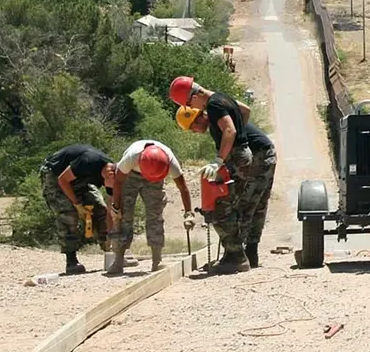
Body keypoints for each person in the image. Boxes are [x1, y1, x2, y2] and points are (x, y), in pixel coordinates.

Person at [169, 76, 253, 273]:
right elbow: (244, 112)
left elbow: (229, 130)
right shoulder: (222, 98)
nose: (192, 107)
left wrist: (219, 160)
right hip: (240, 154)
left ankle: (237, 258)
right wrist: (241, 138)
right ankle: (232, 254)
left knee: (222, 209)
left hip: (236, 158)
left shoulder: (214, 105)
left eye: (189, 103)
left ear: (195, 95)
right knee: (231, 206)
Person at [177, 107, 276, 268]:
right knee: (256, 205)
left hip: (259, 156)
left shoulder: (219, 125)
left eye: (192, 127)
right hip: (264, 154)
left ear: (198, 118)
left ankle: (237, 255)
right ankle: (249, 253)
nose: (194, 132)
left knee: (246, 205)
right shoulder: (220, 122)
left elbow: (229, 153)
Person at [108, 139, 196, 275]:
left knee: (155, 215)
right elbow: (118, 182)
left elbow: (183, 188)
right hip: (130, 176)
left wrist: (189, 213)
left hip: (156, 178)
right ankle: (118, 260)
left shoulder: (169, 160)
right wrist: (116, 207)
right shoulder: (131, 157)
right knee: (124, 217)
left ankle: (157, 260)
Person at [39, 144, 116, 274]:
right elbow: (62, 180)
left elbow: (110, 207)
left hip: (78, 179)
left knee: (99, 208)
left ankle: (110, 251)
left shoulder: (113, 174)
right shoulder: (89, 161)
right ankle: (71, 261)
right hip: (54, 174)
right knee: (68, 213)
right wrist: (77, 205)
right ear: (108, 174)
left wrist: (113, 232)